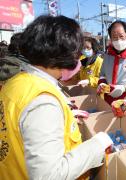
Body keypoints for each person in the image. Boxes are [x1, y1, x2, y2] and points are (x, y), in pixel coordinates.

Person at [0, 15, 112, 180]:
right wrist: (97, 145)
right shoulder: (43, 101)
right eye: (76, 52)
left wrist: (64, 116)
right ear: (63, 54)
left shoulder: (16, 83)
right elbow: (49, 175)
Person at [97, 20, 126, 105]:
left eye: (121, 36)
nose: (118, 40)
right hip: (108, 100)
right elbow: (102, 73)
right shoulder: (107, 54)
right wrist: (102, 83)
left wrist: (124, 87)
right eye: (114, 37)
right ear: (110, 39)